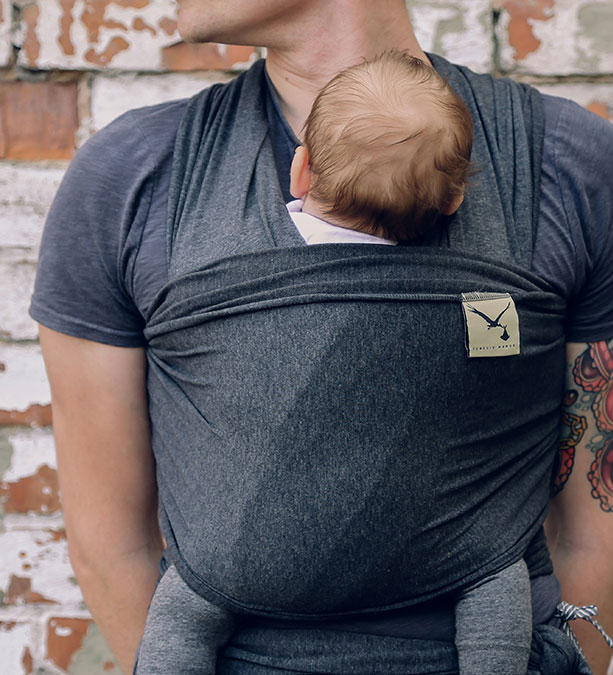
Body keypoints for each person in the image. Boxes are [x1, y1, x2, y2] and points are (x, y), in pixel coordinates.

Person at [30, 2, 613, 673]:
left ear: (301, 172)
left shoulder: (568, 167)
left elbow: (595, 534)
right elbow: (111, 543)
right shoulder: (131, 177)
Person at [134, 50, 536, 675]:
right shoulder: (481, 301)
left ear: (300, 171)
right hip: (442, 551)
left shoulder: (238, 268)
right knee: (496, 572)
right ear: (454, 201)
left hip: (239, 555)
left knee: (184, 611)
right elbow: (503, 370)